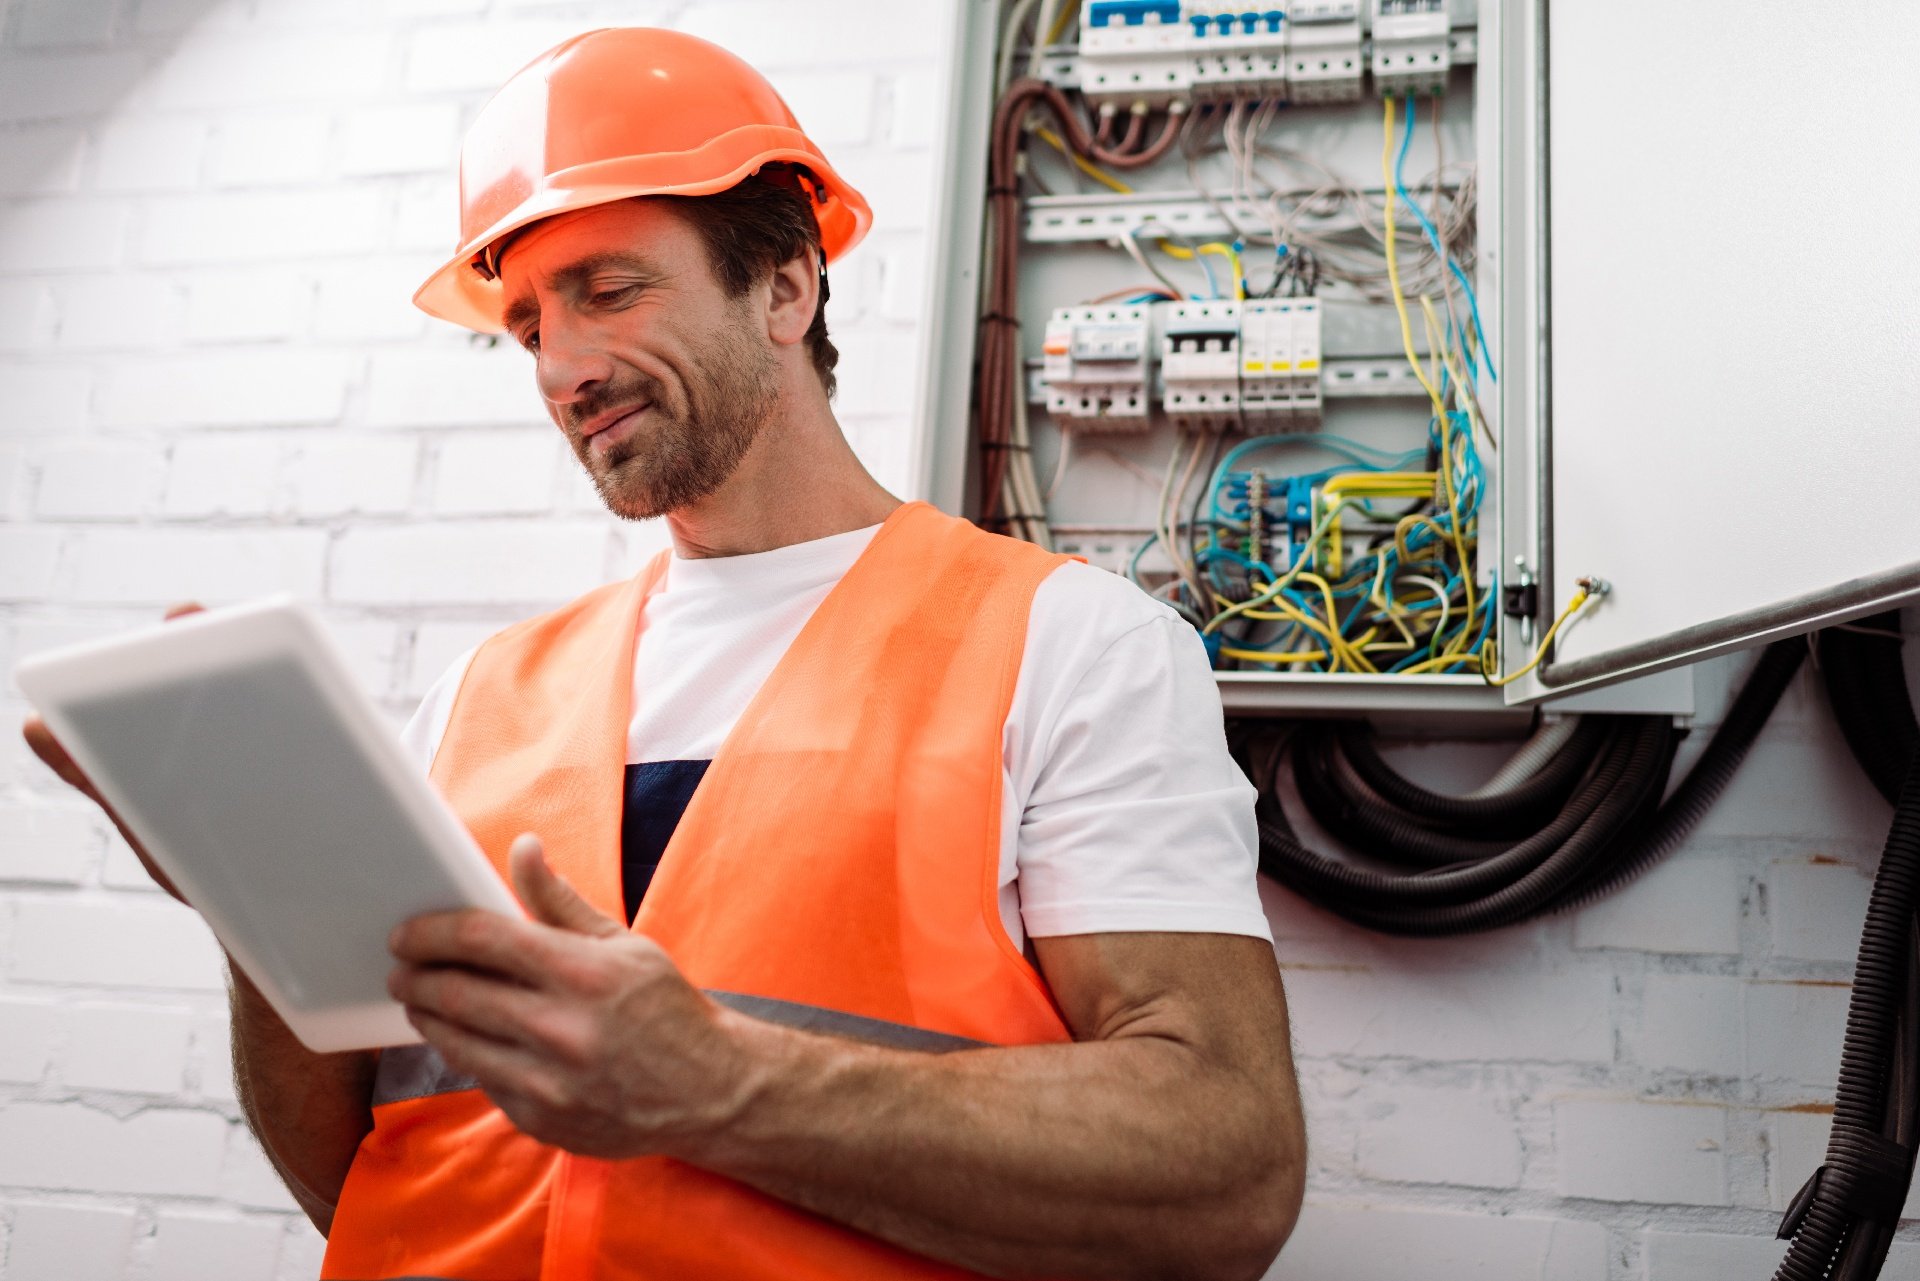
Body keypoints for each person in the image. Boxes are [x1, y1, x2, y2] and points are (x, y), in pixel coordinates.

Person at [25, 27, 1306, 1281]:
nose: (566, 368)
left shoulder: (1068, 648)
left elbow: (1227, 1180)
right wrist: (254, 911)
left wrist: (719, 1087)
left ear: (787, 287)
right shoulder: (480, 702)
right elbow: (373, 1175)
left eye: (610, 290)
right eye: (527, 325)